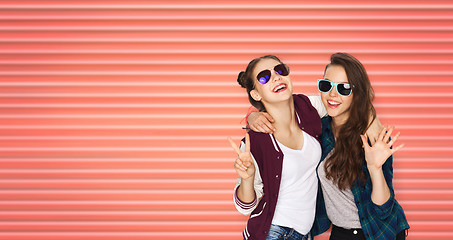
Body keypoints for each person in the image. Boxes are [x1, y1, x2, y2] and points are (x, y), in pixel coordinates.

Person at [248, 52, 410, 240]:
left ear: (356, 93)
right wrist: (253, 115)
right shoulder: (317, 127)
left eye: (344, 88)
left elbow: (383, 209)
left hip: (377, 232)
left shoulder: (373, 138)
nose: (333, 94)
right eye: (326, 86)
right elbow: (283, 107)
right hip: (340, 233)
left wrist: (375, 168)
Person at [228, 55, 331, 240]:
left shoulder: (308, 106)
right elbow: (244, 208)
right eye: (264, 77)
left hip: (304, 233)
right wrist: (247, 178)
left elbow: (340, 103)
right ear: (256, 94)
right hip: (273, 233)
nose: (276, 77)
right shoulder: (255, 141)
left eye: (280, 70)